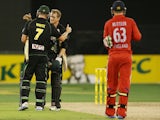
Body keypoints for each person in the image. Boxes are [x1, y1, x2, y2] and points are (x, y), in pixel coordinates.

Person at [19, 5, 71, 111]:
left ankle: (24, 103)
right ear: (47, 15)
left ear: (38, 12)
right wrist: (68, 32)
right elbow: (61, 38)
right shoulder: (49, 26)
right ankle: (39, 105)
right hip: (43, 57)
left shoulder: (30, 23)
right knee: (41, 81)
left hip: (32, 55)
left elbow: (23, 40)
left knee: (26, 79)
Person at [103, 0, 142, 119]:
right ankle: (121, 112)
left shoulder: (108, 23)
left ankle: (110, 111)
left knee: (112, 83)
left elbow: (106, 43)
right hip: (126, 56)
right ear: (124, 10)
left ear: (112, 10)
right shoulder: (130, 22)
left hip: (113, 56)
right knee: (124, 83)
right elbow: (138, 37)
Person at [48, 9, 69, 111]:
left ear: (58, 18)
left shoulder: (62, 29)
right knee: (42, 79)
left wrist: (59, 58)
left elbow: (64, 46)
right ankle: (41, 103)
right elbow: (61, 38)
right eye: (50, 16)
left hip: (56, 57)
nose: (51, 18)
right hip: (46, 56)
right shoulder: (46, 26)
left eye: (53, 17)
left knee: (56, 81)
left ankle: (55, 103)